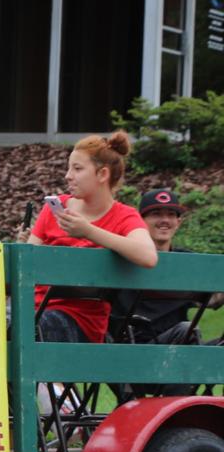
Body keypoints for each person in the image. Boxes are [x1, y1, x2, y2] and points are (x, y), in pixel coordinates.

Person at [28, 130, 157, 344]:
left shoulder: (123, 216)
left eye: (77, 168)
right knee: (1, 322)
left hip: (79, 321)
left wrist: (88, 231)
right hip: (33, 309)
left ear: (102, 174)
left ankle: (50, 379)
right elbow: (28, 259)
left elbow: (148, 256)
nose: (68, 175)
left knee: (42, 326)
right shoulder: (55, 209)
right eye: (69, 168)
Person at [113, 189, 224, 345]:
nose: (164, 220)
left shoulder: (187, 261)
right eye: (156, 214)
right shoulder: (125, 258)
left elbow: (212, 298)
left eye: (171, 214)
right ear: (140, 221)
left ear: (178, 222)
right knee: (186, 330)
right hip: (135, 346)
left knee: (186, 331)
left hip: (181, 342)